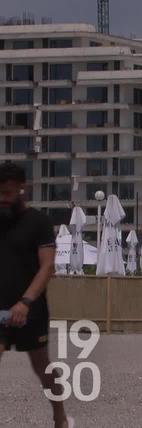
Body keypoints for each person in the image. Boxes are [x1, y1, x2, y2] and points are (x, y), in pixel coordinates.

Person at [0, 162, 72, 427]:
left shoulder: (38, 223)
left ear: (22, 188)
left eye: (7, 193)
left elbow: (47, 267)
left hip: (32, 309)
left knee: (42, 368)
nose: (3, 200)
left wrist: (26, 302)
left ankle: (59, 415)